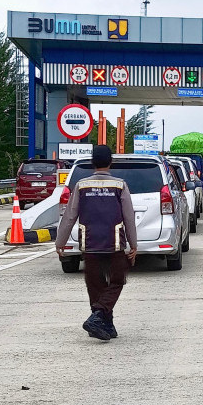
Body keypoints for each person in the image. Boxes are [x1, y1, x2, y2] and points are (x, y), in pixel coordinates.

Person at [55, 145, 137, 341]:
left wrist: (60, 241)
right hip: (114, 243)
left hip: (90, 242)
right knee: (117, 280)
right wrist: (134, 245)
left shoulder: (81, 185)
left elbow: (69, 216)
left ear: (92, 163)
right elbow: (129, 217)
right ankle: (100, 317)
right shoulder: (120, 185)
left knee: (95, 283)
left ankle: (102, 323)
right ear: (111, 162)